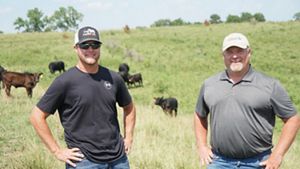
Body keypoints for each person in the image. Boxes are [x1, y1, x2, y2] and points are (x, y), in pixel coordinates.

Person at [30, 26, 136, 169]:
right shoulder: (64, 82)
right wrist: (57, 151)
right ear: (76, 48)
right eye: (85, 45)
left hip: (119, 159)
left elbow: (129, 107)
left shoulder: (114, 78)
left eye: (95, 45)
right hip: (84, 161)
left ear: (100, 47)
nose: (90, 49)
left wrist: (128, 137)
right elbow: (37, 116)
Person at [194, 32, 300, 169]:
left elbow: (292, 118)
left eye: (239, 51)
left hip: (258, 163)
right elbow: (199, 114)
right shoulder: (210, 84)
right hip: (219, 162)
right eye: (229, 51)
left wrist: (278, 155)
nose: (235, 56)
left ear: (249, 52)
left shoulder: (269, 85)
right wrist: (202, 146)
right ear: (223, 55)